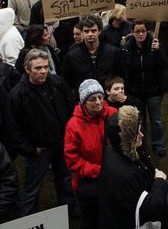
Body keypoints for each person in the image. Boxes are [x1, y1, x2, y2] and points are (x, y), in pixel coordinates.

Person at [7, 49, 76, 216]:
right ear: (27, 69)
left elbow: (71, 107)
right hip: (39, 149)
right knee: (32, 187)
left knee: (65, 179)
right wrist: (30, 149)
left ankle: (70, 211)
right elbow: (14, 129)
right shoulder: (18, 94)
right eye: (38, 68)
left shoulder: (57, 83)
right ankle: (27, 218)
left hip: (61, 143)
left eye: (45, 67)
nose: (43, 71)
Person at [98, 106, 168, 228]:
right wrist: (160, 182)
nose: (142, 135)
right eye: (137, 133)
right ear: (126, 139)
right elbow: (148, 209)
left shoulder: (115, 149)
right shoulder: (124, 175)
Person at [64, 78, 117, 229]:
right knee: (91, 220)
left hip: (114, 178)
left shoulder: (113, 114)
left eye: (100, 97)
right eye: (92, 99)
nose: (98, 102)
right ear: (83, 102)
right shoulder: (73, 125)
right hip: (89, 183)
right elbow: (72, 160)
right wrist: (98, 171)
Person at [120, 19, 168, 157]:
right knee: (140, 120)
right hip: (136, 92)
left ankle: (158, 145)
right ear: (133, 32)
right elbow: (125, 69)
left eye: (143, 31)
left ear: (147, 32)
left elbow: (164, 65)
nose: (141, 34)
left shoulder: (154, 45)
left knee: (156, 120)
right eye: (137, 31)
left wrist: (158, 51)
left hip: (153, 90)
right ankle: (143, 145)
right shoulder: (127, 48)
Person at [62, 15, 123, 98]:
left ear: (99, 31)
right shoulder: (72, 55)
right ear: (82, 32)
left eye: (93, 31)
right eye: (86, 31)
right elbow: (67, 81)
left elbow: (121, 76)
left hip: (108, 100)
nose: (90, 34)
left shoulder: (112, 52)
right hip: (83, 101)